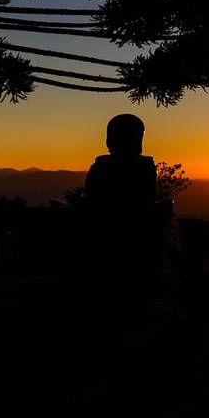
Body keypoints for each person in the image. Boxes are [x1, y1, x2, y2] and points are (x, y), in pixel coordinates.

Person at [83, 114, 160, 318]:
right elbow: (147, 198)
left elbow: (90, 199)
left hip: (104, 234)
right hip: (137, 234)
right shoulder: (145, 168)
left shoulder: (99, 168)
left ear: (109, 139)